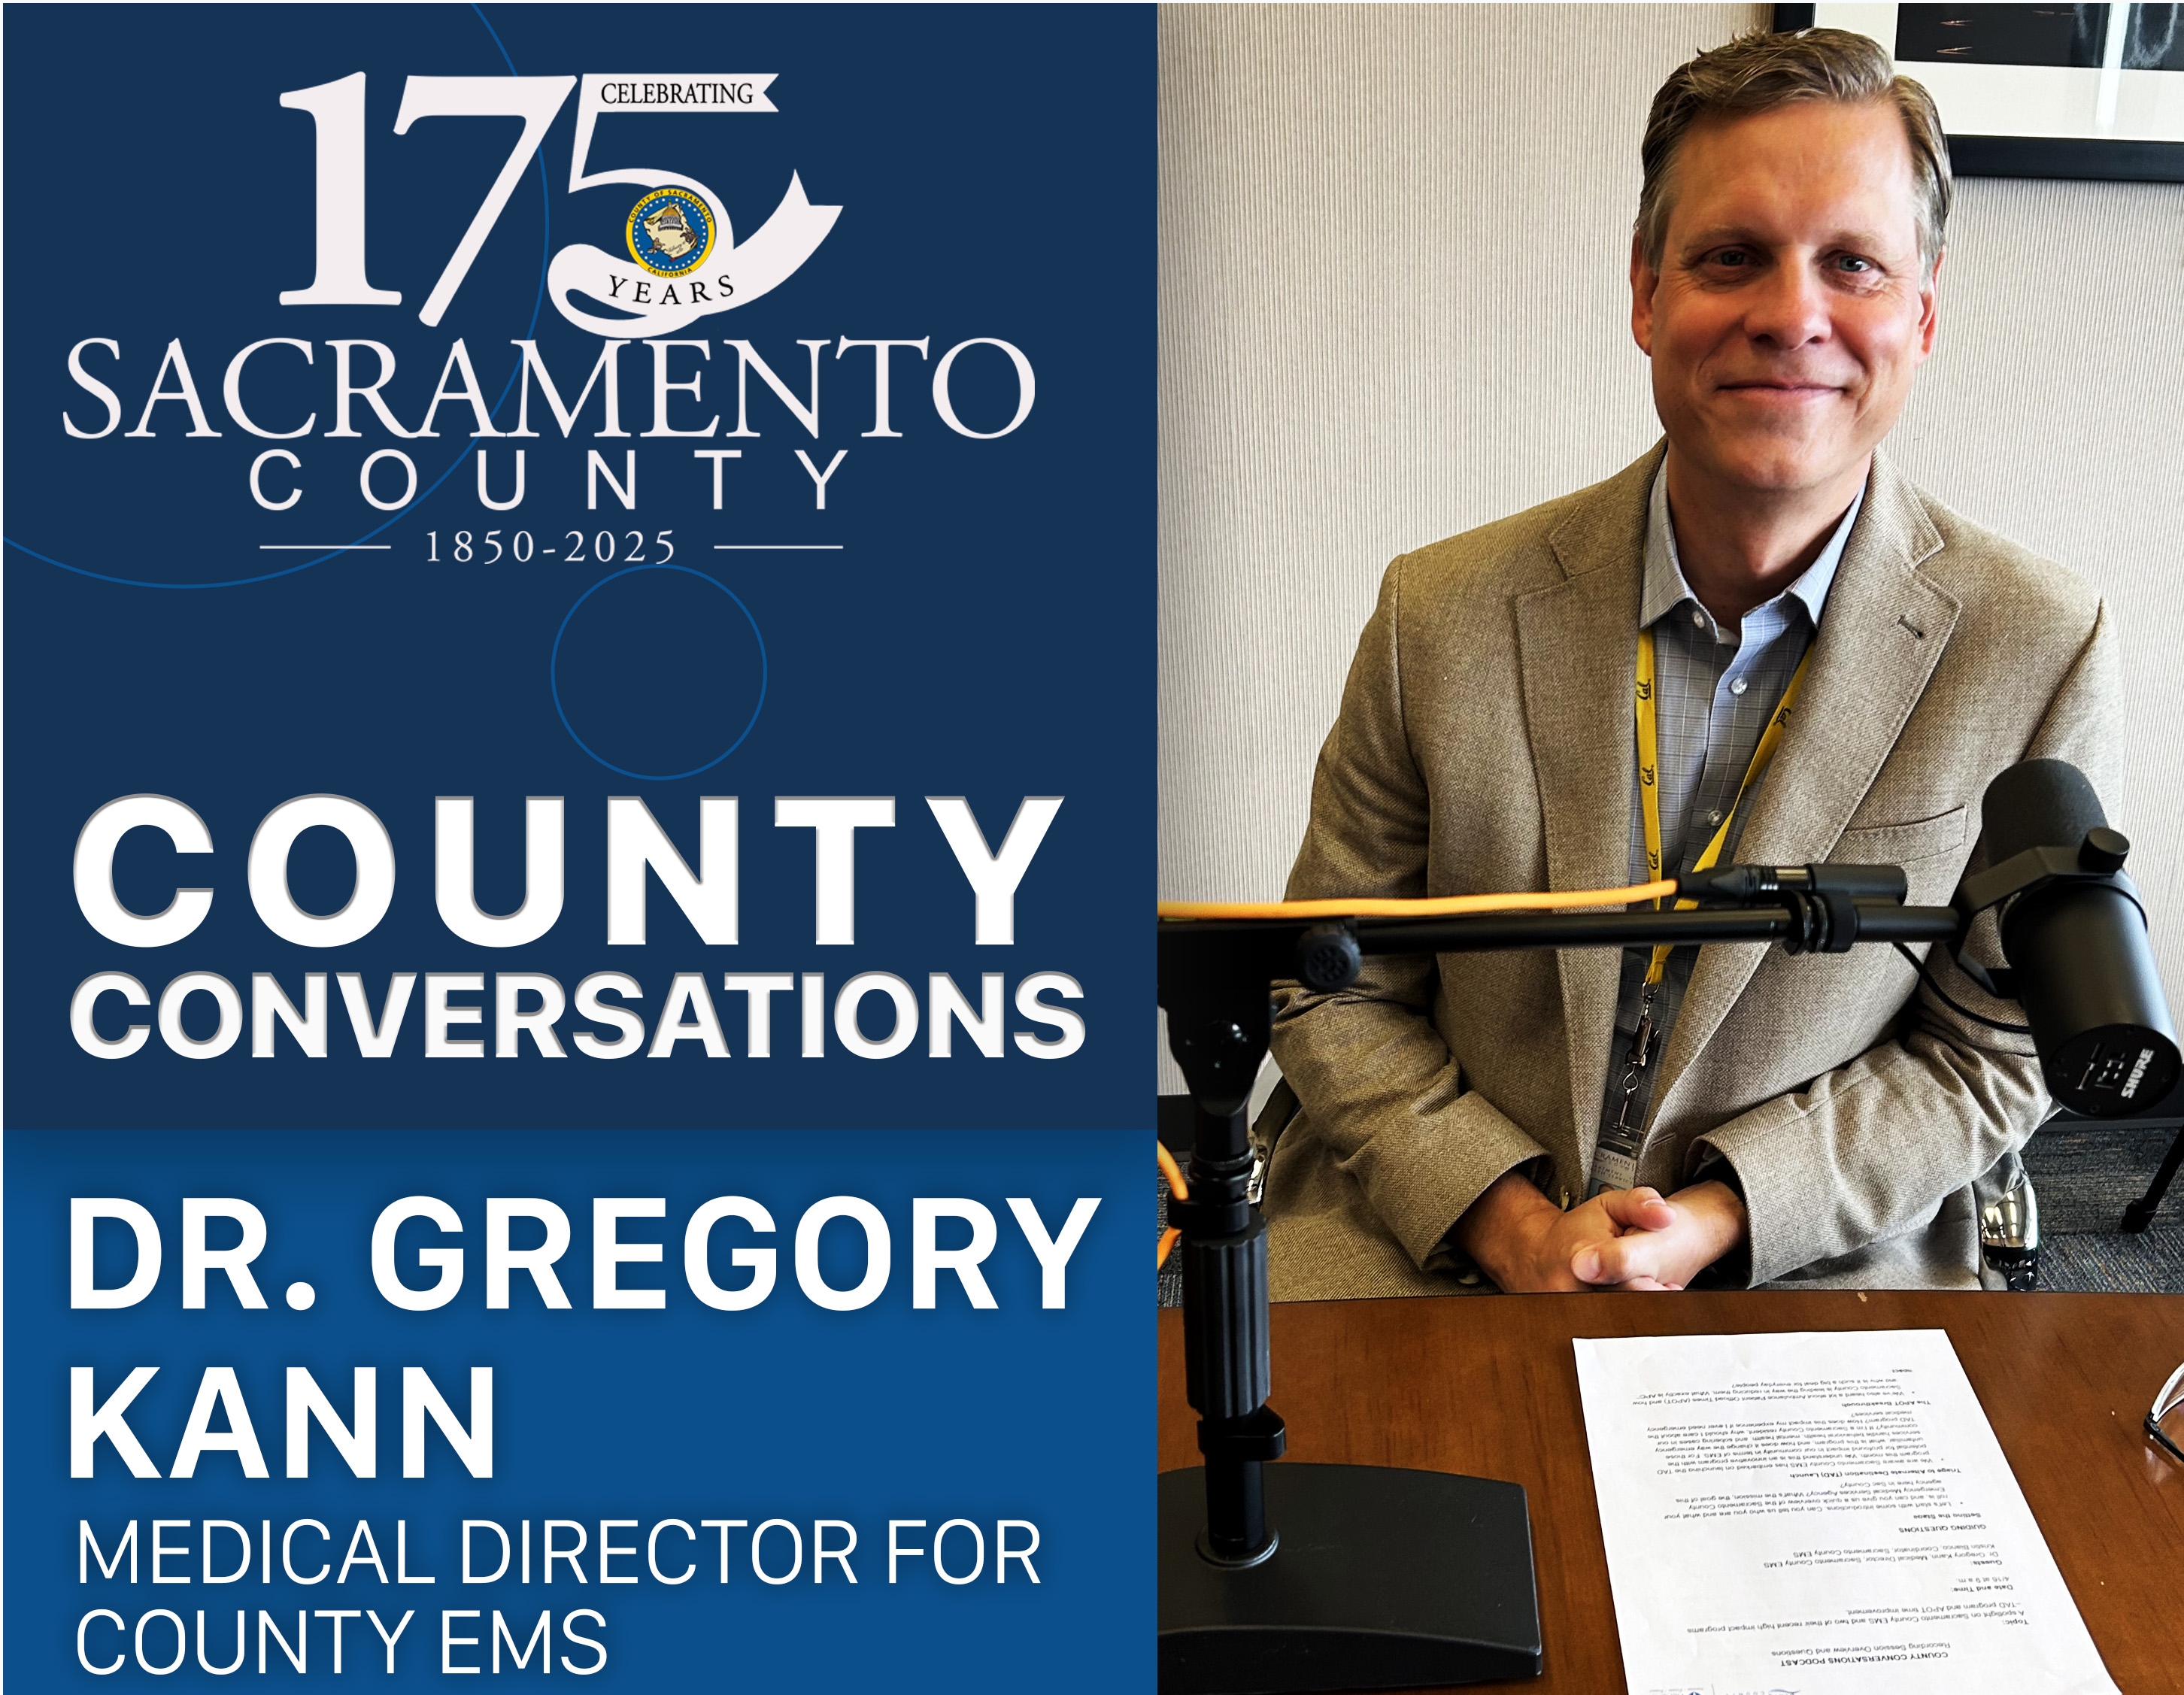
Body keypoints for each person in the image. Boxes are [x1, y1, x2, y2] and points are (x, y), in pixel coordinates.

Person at [1260, 28, 2119, 1298]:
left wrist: (1719, 1216)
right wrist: (1511, 1224)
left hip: (1809, 1249)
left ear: (1921, 313)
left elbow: (1989, 1050)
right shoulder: (1437, 612)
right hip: (1437, 1224)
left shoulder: (2035, 643)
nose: (1792, 315)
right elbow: (1331, 988)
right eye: (1733, 258)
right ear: (1647, 292)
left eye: (1853, 265)